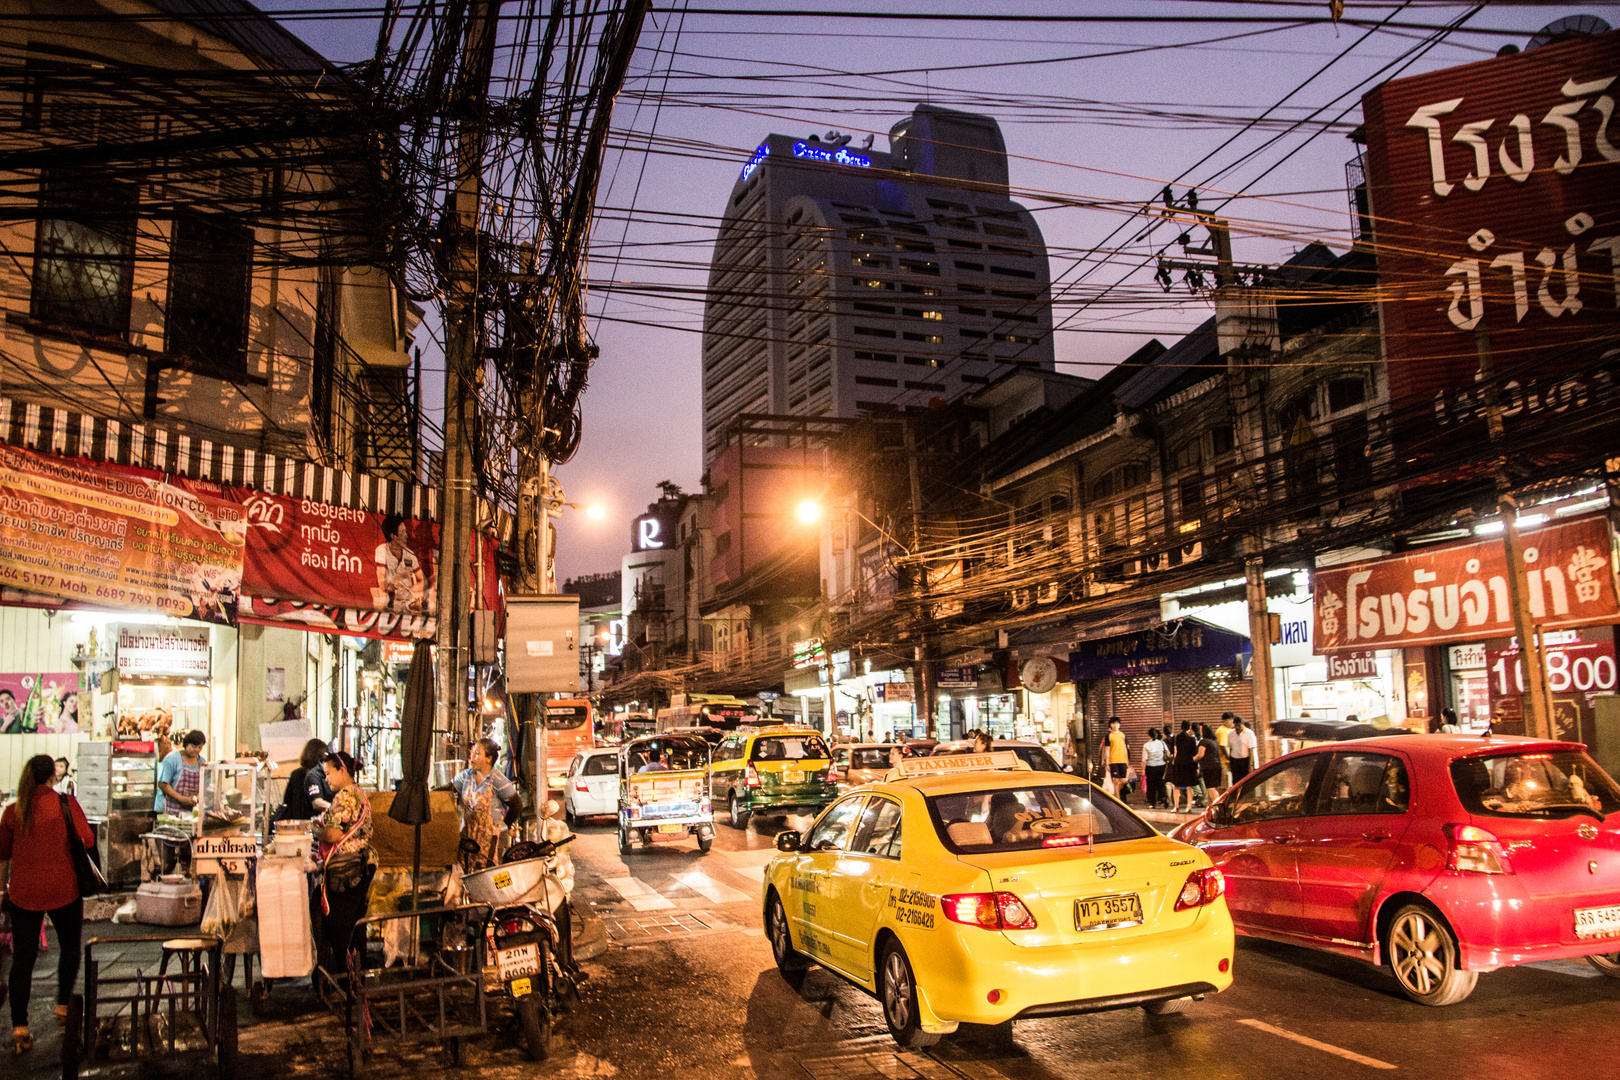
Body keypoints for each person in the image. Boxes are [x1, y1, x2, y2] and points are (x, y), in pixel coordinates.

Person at [0, 755, 96, 1054]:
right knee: (69, 947)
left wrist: (1, 892)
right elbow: (88, 840)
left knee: (23, 961)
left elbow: (3, 856)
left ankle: (20, 1028)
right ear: (53, 777)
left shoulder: (13, 811)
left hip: (24, 892)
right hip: (64, 887)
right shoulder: (66, 804)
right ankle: (63, 1009)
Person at [314, 751, 376, 978]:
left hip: (348, 869)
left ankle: (345, 977)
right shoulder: (358, 792)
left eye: (329, 773)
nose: (327, 779)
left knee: (340, 925)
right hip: (362, 864)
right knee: (355, 923)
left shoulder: (346, 795)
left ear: (342, 770)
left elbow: (331, 834)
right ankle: (357, 974)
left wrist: (315, 829)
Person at [451, 738, 519, 871]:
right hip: (467, 840)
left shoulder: (499, 781)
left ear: (489, 759)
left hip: (489, 843)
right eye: (472, 752)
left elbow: (517, 805)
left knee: (486, 878)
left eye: (477, 753)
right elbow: (449, 788)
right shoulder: (466, 776)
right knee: (466, 878)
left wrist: (507, 824)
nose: (472, 756)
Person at [375, 514, 424, 614]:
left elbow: (420, 578)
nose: (406, 535)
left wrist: (416, 598)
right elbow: (382, 585)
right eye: (402, 532)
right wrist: (400, 576)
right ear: (393, 536)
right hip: (389, 608)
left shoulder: (409, 554)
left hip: (407, 606)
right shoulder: (382, 551)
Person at [274, 739, 330, 826]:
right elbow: (318, 802)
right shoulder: (321, 777)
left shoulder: (295, 774)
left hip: (295, 824)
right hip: (314, 823)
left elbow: (287, 800)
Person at [154, 730, 207, 813]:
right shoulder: (172, 758)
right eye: (193, 746)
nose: (197, 750)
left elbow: (205, 785)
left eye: (200, 747)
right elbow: (162, 784)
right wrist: (182, 799)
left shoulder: (202, 762)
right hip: (170, 810)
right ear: (186, 744)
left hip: (191, 811)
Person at [1171, 721, 1200, 813]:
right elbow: (1193, 753)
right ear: (1189, 727)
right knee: (1189, 786)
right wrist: (1196, 766)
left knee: (1177, 785)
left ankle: (1176, 806)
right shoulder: (1191, 739)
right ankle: (1189, 806)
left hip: (1178, 762)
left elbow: (1175, 751)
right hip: (1188, 762)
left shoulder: (1176, 737)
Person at [1141, 728, 1168, 809]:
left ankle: (1153, 803)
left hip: (1151, 767)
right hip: (1161, 766)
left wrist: (1143, 770)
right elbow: (1167, 752)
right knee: (1160, 783)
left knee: (1151, 786)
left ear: (1149, 735)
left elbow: (1144, 759)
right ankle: (1164, 798)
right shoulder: (1161, 743)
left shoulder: (1146, 745)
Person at [1197, 724, 1224, 804]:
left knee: (1211, 788)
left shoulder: (1204, 741)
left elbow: (1200, 754)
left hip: (1208, 767)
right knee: (1211, 788)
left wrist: (1193, 758)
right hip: (1217, 766)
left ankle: (1218, 805)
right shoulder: (1214, 742)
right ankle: (1210, 807)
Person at [1227, 718, 1256, 784]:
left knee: (1245, 781)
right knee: (1235, 781)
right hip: (1234, 760)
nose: (1237, 728)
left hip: (1245, 760)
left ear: (1243, 725)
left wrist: (1251, 764)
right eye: (1236, 725)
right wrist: (1230, 762)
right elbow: (1230, 748)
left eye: (1239, 725)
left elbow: (1251, 749)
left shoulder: (1249, 733)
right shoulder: (1231, 734)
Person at [1104, 718, 1128, 797]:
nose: (1115, 725)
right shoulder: (1108, 735)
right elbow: (1107, 750)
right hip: (1113, 761)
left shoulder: (1122, 735)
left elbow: (1126, 748)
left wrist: (1128, 761)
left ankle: (1114, 795)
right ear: (1110, 725)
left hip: (1123, 760)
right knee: (1115, 781)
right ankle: (1118, 799)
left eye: (1117, 723)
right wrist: (1107, 763)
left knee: (1123, 780)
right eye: (1113, 723)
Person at [1215, 712, 1235, 787]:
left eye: (1233, 719)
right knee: (1226, 786)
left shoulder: (1230, 730)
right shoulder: (1222, 731)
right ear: (1224, 720)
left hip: (1229, 763)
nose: (1232, 722)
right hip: (1224, 764)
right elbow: (1223, 746)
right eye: (1230, 720)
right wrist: (1230, 759)